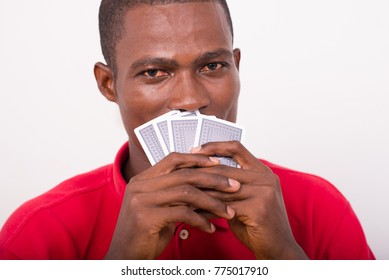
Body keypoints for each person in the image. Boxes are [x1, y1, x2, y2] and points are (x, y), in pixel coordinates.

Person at [0, 0, 374, 260]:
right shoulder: (38, 230)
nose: (190, 99)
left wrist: (285, 257)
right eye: (154, 73)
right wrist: (119, 264)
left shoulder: (318, 208)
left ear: (237, 66)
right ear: (108, 84)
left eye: (212, 66)